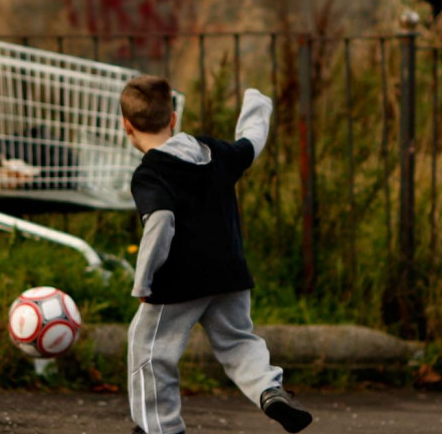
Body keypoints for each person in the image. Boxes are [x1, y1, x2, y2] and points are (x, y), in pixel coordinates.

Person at [120, 75, 313, 434]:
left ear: (126, 125)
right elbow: (251, 143)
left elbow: (161, 222)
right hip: (229, 274)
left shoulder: (150, 173)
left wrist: (143, 281)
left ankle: (158, 428)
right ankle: (270, 390)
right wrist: (257, 103)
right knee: (239, 341)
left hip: (178, 282)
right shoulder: (212, 152)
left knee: (148, 350)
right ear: (173, 118)